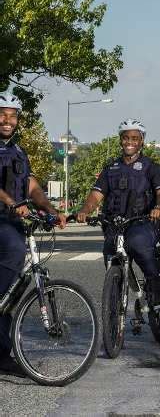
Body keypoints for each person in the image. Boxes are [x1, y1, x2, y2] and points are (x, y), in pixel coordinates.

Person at [0, 92, 66, 377]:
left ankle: (2, 355)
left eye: (13, 115)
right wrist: (11, 203)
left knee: (10, 293)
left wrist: (51, 211)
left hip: (12, 222)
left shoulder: (18, 151)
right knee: (14, 252)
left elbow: (31, 186)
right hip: (3, 221)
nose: (7, 120)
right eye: (2, 114)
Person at [77, 118, 160, 305]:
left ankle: (154, 284)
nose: (130, 142)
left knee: (138, 244)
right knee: (109, 251)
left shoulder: (151, 167)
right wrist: (85, 210)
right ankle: (115, 297)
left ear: (141, 141)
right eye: (126, 138)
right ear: (121, 140)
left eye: (135, 138)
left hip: (142, 222)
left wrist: (159, 208)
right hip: (115, 223)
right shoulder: (111, 168)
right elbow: (96, 195)